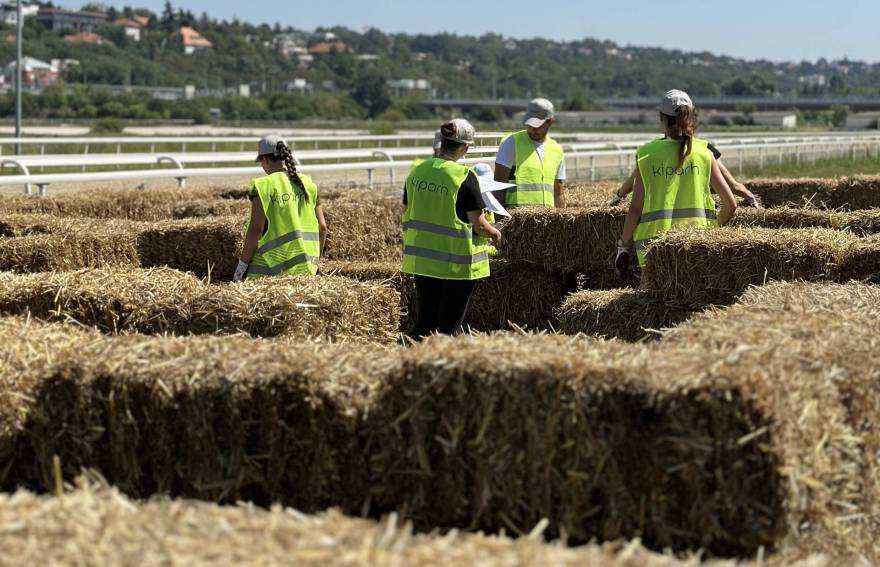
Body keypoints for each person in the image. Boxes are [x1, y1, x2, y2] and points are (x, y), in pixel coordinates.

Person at [616, 90, 737, 279]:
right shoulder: (705, 153)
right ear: (689, 116)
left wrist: (623, 245)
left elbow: (635, 208)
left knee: (648, 301)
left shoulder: (647, 154)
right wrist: (710, 232)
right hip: (697, 248)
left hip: (653, 250)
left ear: (662, 118)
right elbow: (730, 204)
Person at [401, 119, 502, 338]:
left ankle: (410, 360)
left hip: (423, 261)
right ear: (465, 147)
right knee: (448, 327)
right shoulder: (465, 177)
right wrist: (497, 234)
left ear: (442, 142)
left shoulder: (417, 172)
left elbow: (410, 207)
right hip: (456, 266)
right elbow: (480, 224)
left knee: (425, 322)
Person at [233, 135, 327, 281]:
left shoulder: (263, 186)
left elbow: (256, 229)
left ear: (265, 159)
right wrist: (316, 263)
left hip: (268, 274)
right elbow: (322, 227)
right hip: (307, 270)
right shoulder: (308, 183)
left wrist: (242, 266)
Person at [610, 143, 761, 208]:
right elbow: (732, 185)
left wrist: (617, 198)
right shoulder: (704, 149)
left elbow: (631, 183)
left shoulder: (654, 150)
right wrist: (751, 199)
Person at [494, 97, 566, 208]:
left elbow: (558, 193)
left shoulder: (556, 150)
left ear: (550, 122)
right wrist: (499, 221)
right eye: (530, 125)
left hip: (547, 220)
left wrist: (561, 222)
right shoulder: (511, 143)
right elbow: (497, 188)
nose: (533, 129)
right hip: (515, 218)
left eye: (538, 126)